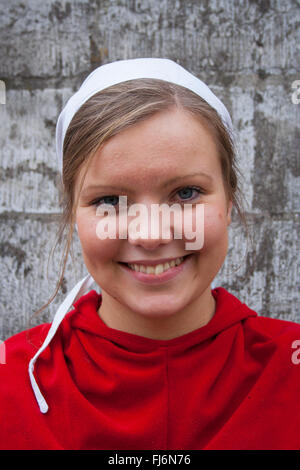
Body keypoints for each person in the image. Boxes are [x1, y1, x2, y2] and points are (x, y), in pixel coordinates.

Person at [0, 58, 299, 450]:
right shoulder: (12, 381)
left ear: (229, 200)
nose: (151, 234)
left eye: (186, 193)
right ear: (75, 213)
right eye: (110, 200)